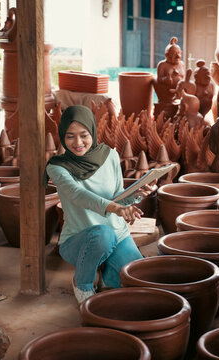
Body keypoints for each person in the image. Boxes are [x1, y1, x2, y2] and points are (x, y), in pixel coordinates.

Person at [45, 105, 150, 304]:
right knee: (103, 235)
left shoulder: (110, 155)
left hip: (118, 235)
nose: (78, 142)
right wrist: (116, 208)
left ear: (92, 131)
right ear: (62, 136)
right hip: (79, 239)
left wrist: (135, 195)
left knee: (140, 280)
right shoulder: (57, 166)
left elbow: (119, 195)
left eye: (84, 135)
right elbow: (78, 194)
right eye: (70, 136)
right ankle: (83, 284)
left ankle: (108, 275)